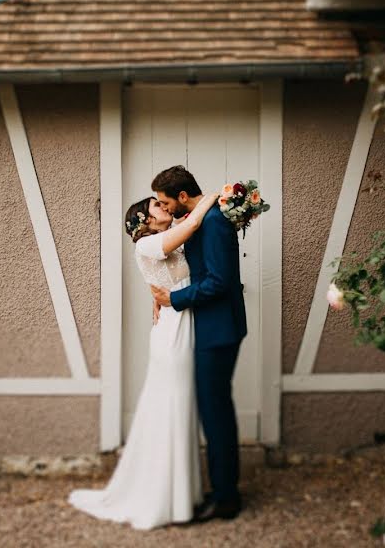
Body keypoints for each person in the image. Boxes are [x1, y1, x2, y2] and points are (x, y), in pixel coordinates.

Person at [67, 191, 219, 530]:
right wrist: (216, 196)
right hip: (172, 333)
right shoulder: (145, 245)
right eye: (156, 205)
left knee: (180, 408)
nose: (163, 206)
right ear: (145, 220)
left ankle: (181, 497)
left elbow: (180, 260)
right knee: (173, 405)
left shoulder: (165, 239)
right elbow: (193, 222)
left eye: (163, 203)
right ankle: (163, 498)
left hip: (183, 319)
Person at [150, 165, 247, 522]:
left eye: (165, 202)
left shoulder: (215, 223)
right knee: (213, 409)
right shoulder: (200, 219)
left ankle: (226, 498)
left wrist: (173, 300)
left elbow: (220, 282)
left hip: (218, 330)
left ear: (182, 197)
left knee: (215, 411)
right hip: (209, 328)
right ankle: (222, 487)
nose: (164, 208)